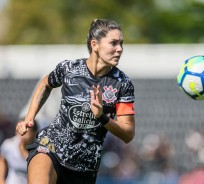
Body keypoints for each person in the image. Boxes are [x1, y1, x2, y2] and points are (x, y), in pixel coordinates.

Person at [16, 18, 136, 184]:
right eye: (114, 43)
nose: (120, 49)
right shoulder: (69, 69)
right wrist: (30, 117)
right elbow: (45, 84)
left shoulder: (123, 84)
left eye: (121, 43)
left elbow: (128, 133)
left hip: (84, 168)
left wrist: (102, 117)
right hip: (51, 148)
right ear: (95, 44)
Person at [0, 119, 38, 184]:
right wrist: (1, 180)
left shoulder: (39, 151)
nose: (20, 131)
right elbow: (2, 160)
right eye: (18, 128)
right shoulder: (8, 145)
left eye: (25, 128)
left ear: (34, 133)